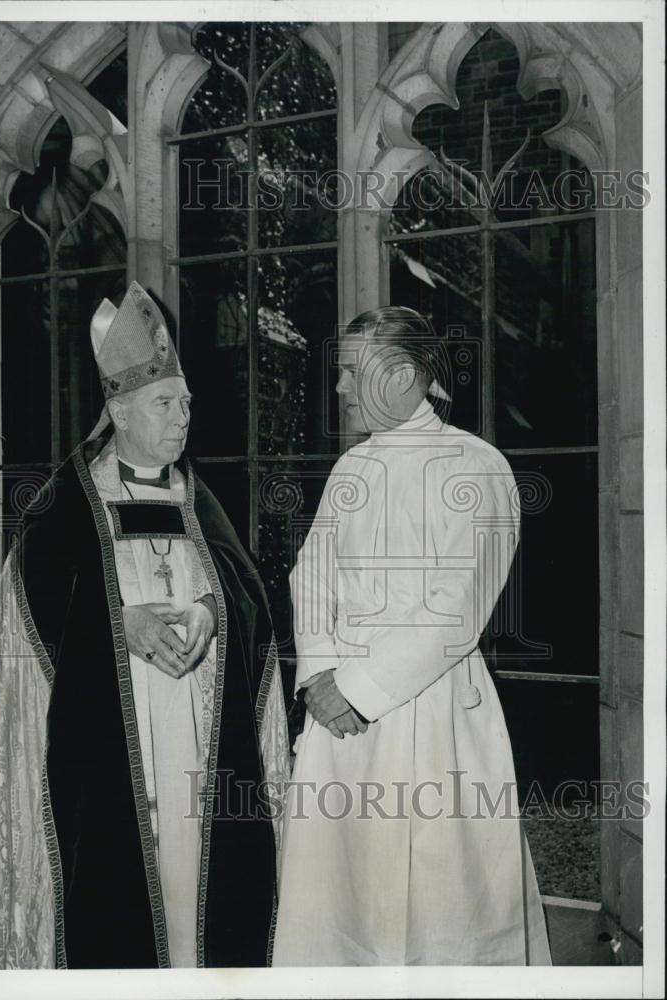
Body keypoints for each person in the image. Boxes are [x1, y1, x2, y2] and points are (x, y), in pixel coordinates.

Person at [0, 281, 290, 970]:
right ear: (118, 408)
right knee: (122, 911)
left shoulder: (198, 499)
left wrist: (210, 611)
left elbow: (248, 596)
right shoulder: (67, 506)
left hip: (203, 764)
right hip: (110, 763)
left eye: (187, 404)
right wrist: (117, 625)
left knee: (198, 909)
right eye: (165, 403)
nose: (183, 419)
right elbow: (21, 620)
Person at [272, 306, 551, 966]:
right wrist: (318, 673)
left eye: (350, 371)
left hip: (430, 710)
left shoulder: (475, 466)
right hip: (337, 717)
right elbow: (310, 577)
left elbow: (457, 608)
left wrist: (359, 689)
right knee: (340, 904)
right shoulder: (351, 470)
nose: (339, 387)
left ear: (402, 374)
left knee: (441, 905)